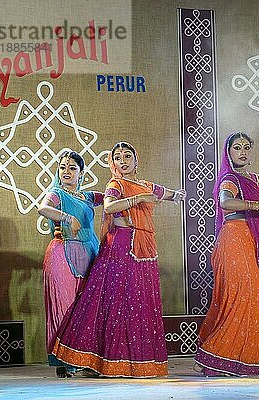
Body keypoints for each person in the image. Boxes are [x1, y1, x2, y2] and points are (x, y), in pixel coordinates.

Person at [51, 141, 185, 378]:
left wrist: (177, 195)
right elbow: (111, 206)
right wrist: (139, 199)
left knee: (141, 302)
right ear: (113, 163)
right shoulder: (116, 184)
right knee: (118, 302)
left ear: (136, 160)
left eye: (127, 156)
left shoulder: (144, 185)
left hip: (144, 246)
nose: (123, 161)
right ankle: (109, 361)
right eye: (118, 157)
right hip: (121, 246)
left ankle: (140, 362)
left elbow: (164, 193)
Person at [194, 132, 259, 377]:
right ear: (229, 153)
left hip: (249, 241)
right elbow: (225, 202)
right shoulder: (229, 178)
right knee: (239, 298)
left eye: (247, 147)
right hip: (233, 239)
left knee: (254, 295)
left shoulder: (252, 178)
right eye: (237, 148)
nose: (243, 152)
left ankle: (246, 358)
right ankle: (218, 356)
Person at [38, 151, 103, 378]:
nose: (66, 172)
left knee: (84, 307)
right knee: (64, 307)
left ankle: (83, 357)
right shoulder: (56, 193)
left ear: (81, 173)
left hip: (89, 254)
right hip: (62, 254)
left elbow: (113, 198)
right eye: (63, 167)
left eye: (72, 168)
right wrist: (67, 218)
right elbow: (43, 208)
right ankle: (62, 360)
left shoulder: (87, 197)